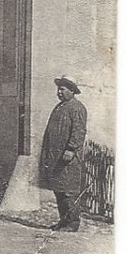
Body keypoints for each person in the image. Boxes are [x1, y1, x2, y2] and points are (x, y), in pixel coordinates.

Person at [40, 76, 88, 231]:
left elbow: (79, 131)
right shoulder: (60, 106)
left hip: (68, 158)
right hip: (56, 157)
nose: (59, 92)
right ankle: (64, 221)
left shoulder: (76, 107)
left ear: (72, 90)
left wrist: (71, 149)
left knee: (69, 191)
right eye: (58, 89)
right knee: (59, 189)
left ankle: (72, 223)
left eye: (63, 89)